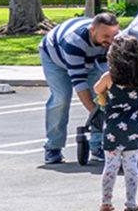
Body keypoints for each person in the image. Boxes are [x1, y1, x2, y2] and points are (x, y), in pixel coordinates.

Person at [93, 35, 138, 211]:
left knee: (110, 166)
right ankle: (131, 202)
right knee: (131, 167)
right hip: (134, 128)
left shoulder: (109, 76)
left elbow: (97, 89)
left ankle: (106, 202)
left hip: (112, 128)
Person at [39, 12, 121, 164]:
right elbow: (80, 83)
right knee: (61, 97)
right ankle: (53, 147)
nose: (110, 41)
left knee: (102, 97)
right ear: (92, 30)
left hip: (93, 59)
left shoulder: (116, 39)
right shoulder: (73, 41)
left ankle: (98, 146)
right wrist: (95, 115)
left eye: (113, 35)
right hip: (56, 59)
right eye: (105, 36)